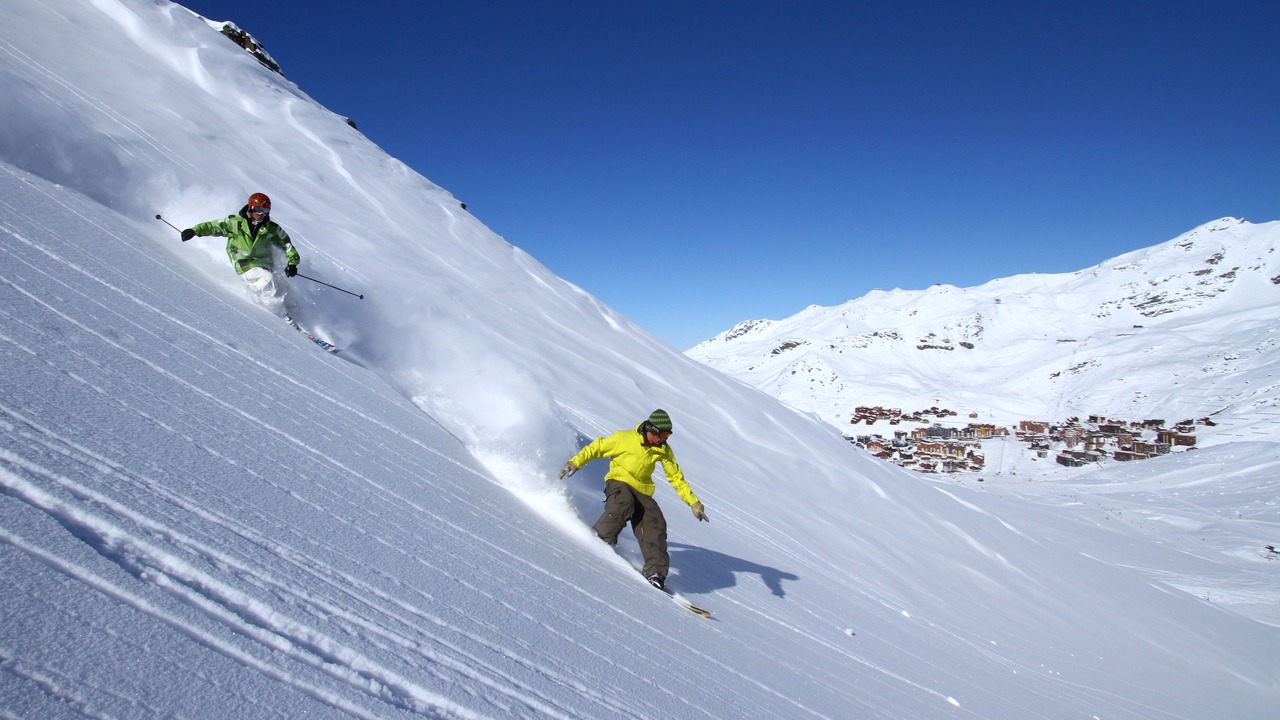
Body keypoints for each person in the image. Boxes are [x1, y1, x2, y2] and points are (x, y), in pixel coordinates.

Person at [560, 409, 709, 590]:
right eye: (661, 434)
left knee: (656, 522)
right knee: (624, 503)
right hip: (619, 481)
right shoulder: (624, 439)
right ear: (650, 430)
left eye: (667, 435)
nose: (664, 439)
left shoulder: (663, 450)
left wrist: (694, 503)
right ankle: (601, 538)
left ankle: (656, 572)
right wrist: (574, 462)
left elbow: (676, 478)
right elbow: (597, 447)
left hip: (643, 490)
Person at [181, 193, 301, 326]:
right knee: (268, 280)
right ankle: (279, 316)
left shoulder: (271, 229)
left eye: (265, 211)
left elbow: (287, 245)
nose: (261, 214)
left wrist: (292, 263)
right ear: (251, 208)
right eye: (258, 210)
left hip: (264, 264)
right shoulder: (236, 223)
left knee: (283, 286)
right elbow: (214, 226)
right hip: (244, 263)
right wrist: (194, 231)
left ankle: (295, 314)